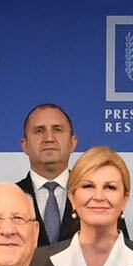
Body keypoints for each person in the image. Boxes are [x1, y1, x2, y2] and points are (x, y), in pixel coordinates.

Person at [18, 103, 93, 245]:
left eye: (57, 130)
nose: (49, 138)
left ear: (73, 143)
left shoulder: (96, 196)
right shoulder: (10, 197)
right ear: (25, 145)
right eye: (39, 131)